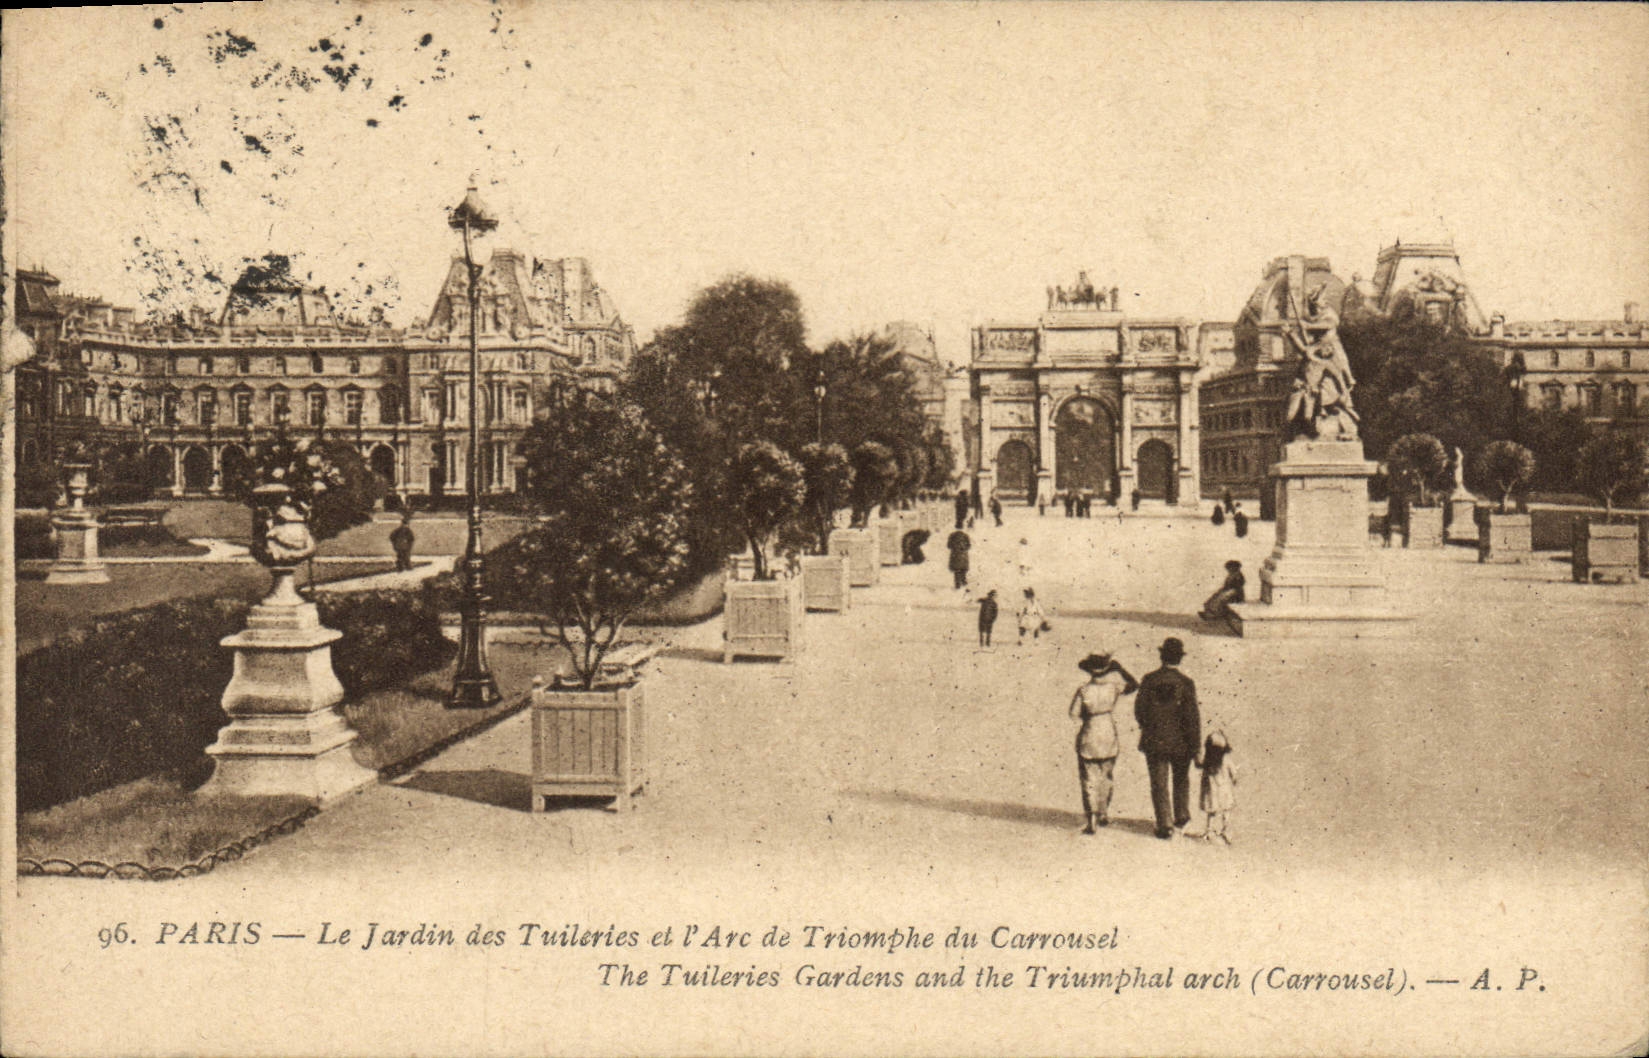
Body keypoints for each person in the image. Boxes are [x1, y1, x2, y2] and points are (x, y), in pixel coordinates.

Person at [1135, 637, 1201, 840]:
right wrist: (1196, 746)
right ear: (1179, 659)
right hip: (1181, 742)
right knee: (1181, 780)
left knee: (1159, 782)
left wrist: (1150, 727)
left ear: (1161, 656)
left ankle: (1164, 824)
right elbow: (1192, 717)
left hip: (1155, 740)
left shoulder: (1149, 680)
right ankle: (1181, 816)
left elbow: (1139, 710)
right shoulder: (1186, 683)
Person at [1070, 652, 1139, 834]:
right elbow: (1134, 685)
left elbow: (1074, 714)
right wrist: (1121, 670)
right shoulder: (1113, 687)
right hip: (1108, 731)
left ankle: (1091, 817)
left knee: (1089, 777)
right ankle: (1104, 812)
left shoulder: (1084, 690)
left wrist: (1088, 714)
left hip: (1090, 731)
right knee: (1107, 775)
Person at [1197, 729, 1239, 844]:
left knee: (1212, 811)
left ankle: (1210, 830)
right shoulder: (1225, 759)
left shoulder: (1208, 760)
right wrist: (1234, 779)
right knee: (1226, 810)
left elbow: (1198, 764)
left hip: (1211, 792)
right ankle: (1225, 830)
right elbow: (1233, 771)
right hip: (1224, 790)